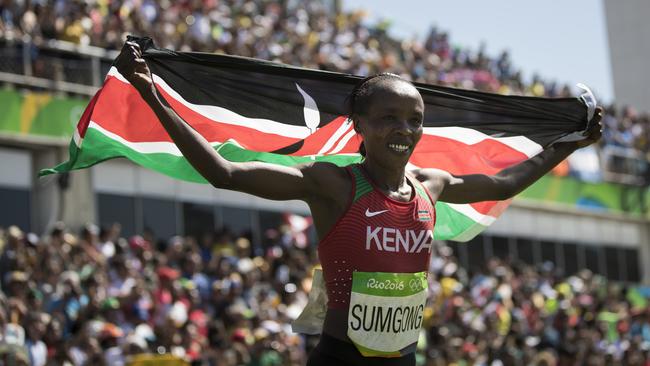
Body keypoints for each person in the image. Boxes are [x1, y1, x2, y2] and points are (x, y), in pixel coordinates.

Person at [115, 41, 602, 366]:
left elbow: (505, 182)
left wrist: (570, 146)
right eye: (389, 117)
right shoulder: (334, 184)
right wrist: (152, 96)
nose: (404, 130)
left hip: (404, 355)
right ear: (359, 126)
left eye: (414, 120)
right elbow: (226, 174)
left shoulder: (431, 185)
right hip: (342, 356)